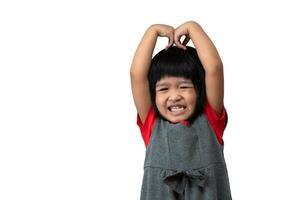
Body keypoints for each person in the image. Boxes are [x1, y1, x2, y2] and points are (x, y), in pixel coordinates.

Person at [130, 21, 232, 200]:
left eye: (184, 86)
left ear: (200, 89)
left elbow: (214, 68)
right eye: (164, 89)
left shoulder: (210, 119)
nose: (175, 96)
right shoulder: (152, 123)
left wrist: (193, 27)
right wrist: (152, 31)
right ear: (153, 94)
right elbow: (137, 75)